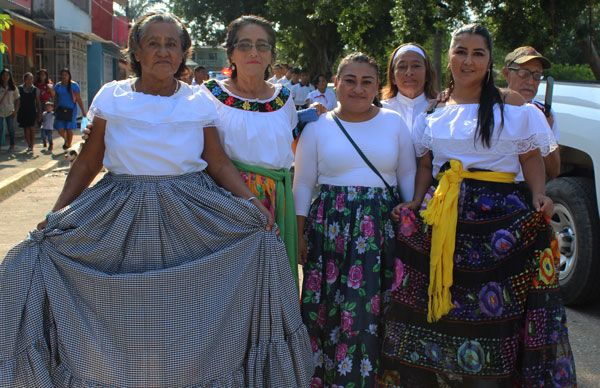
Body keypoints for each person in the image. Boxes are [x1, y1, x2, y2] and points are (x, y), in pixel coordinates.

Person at [0, 12, 313, 387]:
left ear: (183, 53)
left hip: (190, 213)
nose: (163, 52)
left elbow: (216, 161)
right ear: (136, 50)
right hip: (119, 213)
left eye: (172, 44)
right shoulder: (112, 97)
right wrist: (57, 212)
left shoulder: (199, 101)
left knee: (184, 312)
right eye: (153, 43)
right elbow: (88, 161)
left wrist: (251, 204)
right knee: (125, 312)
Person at [379, 24, 576, 387]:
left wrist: (538, 194)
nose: (468, 60)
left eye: (478, 53)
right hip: (443, 219)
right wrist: (415, 201)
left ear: (489, 62)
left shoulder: (513, 106)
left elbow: (531, 158)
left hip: (499, 224)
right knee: (437, 313)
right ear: (449, 56)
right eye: (461, 51)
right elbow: (426, 165)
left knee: (495, 317)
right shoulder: (435, 109)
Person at [294, 52, 416, 386]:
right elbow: (303, 183)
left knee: (372, 309)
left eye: (367, 82)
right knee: (328, 307)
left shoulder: (394, 123)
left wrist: (412, 223)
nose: (358, 89)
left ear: (378, 85)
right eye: (350, 80)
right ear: (336, 82)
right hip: (329, 229)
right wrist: (300, 234)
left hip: (379, 231)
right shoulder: (317, 127)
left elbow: (406, 174)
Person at [201, 15, 304, 284]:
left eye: (262, 45)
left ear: (271, 55)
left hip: (278, 198)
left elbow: (289, 147)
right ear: (231, 53)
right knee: (232, 285)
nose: (254, 52)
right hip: (226, 200)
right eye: (244, 45)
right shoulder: (209, 95)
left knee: (271, 283)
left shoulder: (284, 98)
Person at [503, 46, 560, 178]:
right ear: (506, 73)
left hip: (530, 190)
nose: (530, 82)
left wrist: (546, 132)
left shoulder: (545, 114)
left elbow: (554, 171)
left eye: (537, 76)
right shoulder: (490, 110)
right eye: (524, 73)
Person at [381, 42, 438, 133]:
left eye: (416, 66)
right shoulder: (380, 110)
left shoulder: (439, 110)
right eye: (402, 67)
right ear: (392, 77)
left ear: (427, 74)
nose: (409, 72)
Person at [54, 68, 86, 150]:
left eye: (66, 75)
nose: (64, 77)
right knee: (60, 128)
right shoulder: (58, 86)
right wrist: (54, 108)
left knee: (69, 128)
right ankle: (66, 140)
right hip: (60, 110)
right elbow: (56, 98)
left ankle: (68, 145)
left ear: (69, 76)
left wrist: (83, 111)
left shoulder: (74, 85)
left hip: (71, 110)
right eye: (62, 75)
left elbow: (78, 98)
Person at [17, 72, 42, 154]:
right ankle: (29, 146)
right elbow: (18, 101)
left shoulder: (35, 89)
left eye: (31, 79)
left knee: (32, 128)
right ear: (24, 79)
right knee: (26, 129)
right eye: (28, 79)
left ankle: (32, 146)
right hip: (23, 110)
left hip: (32, 111)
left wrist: (39, 112)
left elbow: (38, 102)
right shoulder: (20, 88)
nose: (30, 80)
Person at [34, 68, 55, 148]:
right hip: (39, 103)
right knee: (41, 120)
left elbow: (53, 95)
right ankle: (44, 138)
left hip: (48, 103)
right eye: (41, 74)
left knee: (48, 121)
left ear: (46, 75)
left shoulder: (49, 83)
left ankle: (49, 140)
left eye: (44, 74)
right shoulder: (36, 85)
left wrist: (50, 88)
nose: (42, 76)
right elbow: (36, 97)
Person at [0, 68, 19, 152]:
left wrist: (16, 110)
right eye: (3, 75)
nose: (5, 77)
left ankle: (12, 145)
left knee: (11, 128)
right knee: (0, 129)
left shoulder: (13, 87)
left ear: (10, 77)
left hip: (10, 111)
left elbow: (17, 99)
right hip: (0, 111)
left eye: (7, 75)